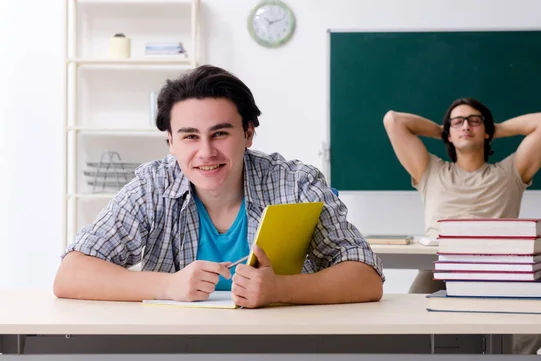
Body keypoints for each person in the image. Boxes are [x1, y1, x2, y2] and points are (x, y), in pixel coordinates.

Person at [54, 65, 384, 308]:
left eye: (220, 133)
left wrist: (280, 290)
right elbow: (71, 274)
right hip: (173, 347)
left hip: (280, 345)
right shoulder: (152, 186)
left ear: (248, 134)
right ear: (170, 141)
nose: (206, 152)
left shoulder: (295, 182)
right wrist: (169, 285)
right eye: (189, 136)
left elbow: (365, 276)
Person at [383, 98, 541, 354]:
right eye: (458, 122)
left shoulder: (511, 172)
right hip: (439, 270)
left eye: (474, 121)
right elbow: (393, 119)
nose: (466, 126)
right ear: (449, 134)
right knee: (410, 323)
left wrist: (494, 128)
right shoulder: (429, 170)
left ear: (487, 131)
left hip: (500, 271)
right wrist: (444, 130)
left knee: (539, 319)